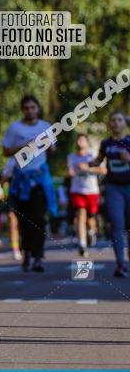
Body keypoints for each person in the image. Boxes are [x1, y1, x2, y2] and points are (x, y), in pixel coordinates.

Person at [3, 95, 57, 272]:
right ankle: (26, 251)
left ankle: (38, 256)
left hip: (39, 178)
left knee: (39, 217)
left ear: (38, 109)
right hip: (20, 180)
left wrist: (47, 145)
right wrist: (25, 146)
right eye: (26, 108)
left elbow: (52, 151)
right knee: (23, 219)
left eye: (33, 107)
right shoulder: (14, 128)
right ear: (22, 110)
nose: (30, 111)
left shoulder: (45, 127)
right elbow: (6, 151)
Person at [90, 112, 130, 276]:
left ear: (125, 124)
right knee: (117, 224)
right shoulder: (106, 143)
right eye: (112, 120)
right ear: (109, 124)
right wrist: (89, 163)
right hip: (113, 188)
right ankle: (120, 264)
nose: (116, 123)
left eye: (119, 120)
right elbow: (98, 160)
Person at [67, 134, 105, 257]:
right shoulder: (71, 156)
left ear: (87, 143)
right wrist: (70, 173)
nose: (80, 141)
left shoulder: (92, 155)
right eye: (78, 139)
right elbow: (70, 171)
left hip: (92, 191)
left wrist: (88, 169)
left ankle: (91, 231)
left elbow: (103, 170)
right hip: (77, 190)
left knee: (90, 219)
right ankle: (82, 244)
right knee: (80, 215)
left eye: (82, 139)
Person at [1, 157, 22, 261]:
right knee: (12, 222)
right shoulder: (12, 161)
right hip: (13, 196)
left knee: (23, 224)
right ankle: (15, 249)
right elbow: (3, 179)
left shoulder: (34, 159)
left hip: (27, 194)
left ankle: (26, 248)